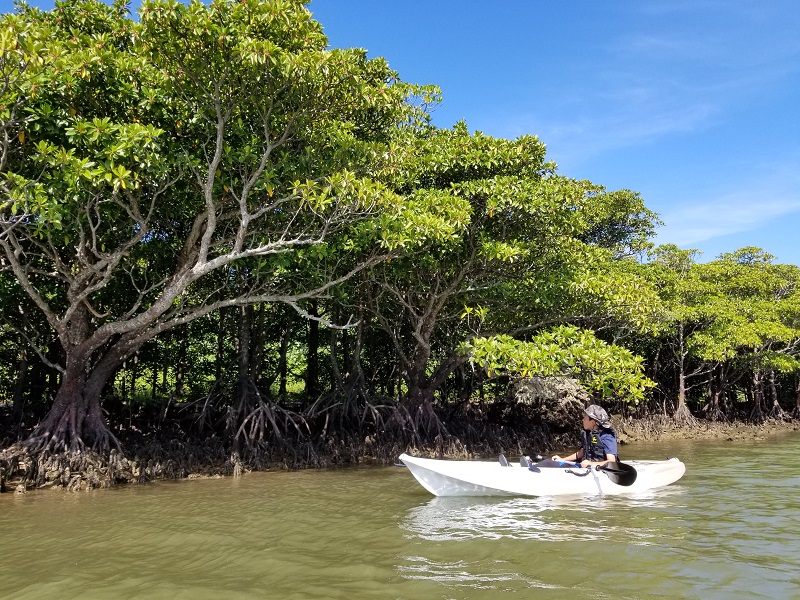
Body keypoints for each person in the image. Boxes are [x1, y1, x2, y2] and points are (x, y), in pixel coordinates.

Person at [550, 404, 618, 468]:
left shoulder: (607, 436)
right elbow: (581, 453)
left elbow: (612, 461)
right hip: (586, 467)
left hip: (600, 471)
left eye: (585, 419)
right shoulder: (589, 433)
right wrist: (562, 459)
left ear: (592, 422)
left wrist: (591, 464)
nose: (582, 420)